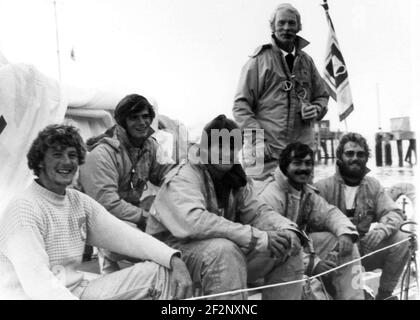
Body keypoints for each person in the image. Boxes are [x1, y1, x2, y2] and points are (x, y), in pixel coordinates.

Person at [0, 124, 192, 300]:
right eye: (57, 155)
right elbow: (39, 286)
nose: (66, 162)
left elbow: (129, 237)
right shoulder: (23, 208)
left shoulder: (78, 201)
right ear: (40, 161)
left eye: (72, 155)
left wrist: (173, 259)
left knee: (159, 273)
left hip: (77, 292)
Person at [147, 114, 306, 300]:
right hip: (170, 252)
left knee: (287, 246)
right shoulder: (184, 175)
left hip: (211, 250)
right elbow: (195, 222)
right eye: (220, 146)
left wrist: (286, 228)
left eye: (233, 147)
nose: (227, 153)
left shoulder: (235, 178)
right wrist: (258, 237)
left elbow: (258, 212)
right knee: (224, 250)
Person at [79, 94, 176, 273]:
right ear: (123, 122)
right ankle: (109, 262)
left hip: (125, 216)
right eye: (134, 117)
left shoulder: (149, 146)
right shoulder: (102, 154)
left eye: (145, 116)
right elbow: (106, 204)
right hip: (95, 221)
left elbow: (165, 174)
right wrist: (146, 217)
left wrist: (184, 180)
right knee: (148, 246)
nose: (142, 122)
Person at [233, 3, 329, 180]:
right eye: (281, 23)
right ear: (272, 26)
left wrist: (316, 108)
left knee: (303, 204)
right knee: (261, 205)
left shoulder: (307, 62)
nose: (286, 28)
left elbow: (322, 96)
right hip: (266, 156)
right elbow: (240, 106)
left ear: (299, 27)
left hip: (300, 158)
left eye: (292, 23)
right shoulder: (258, 62)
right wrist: (257, 140)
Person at [258, 142, 364, 299]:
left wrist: (345, 232)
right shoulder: (271, 194)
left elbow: (329, 214)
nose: (303, 168)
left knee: (345, 242)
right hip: (267, 259)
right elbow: (276, 241)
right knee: (287, 242)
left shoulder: (306, 192)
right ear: (285, 166)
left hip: (296, 252)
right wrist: (313, 264)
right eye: (297, 163)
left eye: (308, 163)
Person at [314, 132, 409, 300]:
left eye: (360, 154)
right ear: (340, 157)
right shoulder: (322, 188)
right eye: (349, 154)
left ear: (366, 158)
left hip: (362, 247)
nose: (355, 158)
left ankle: (384, 296)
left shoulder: (372, 185)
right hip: (333, 255)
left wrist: (382, 230)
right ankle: (345, 292)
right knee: (348, 249)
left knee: (403, 240)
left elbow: (394, 212)